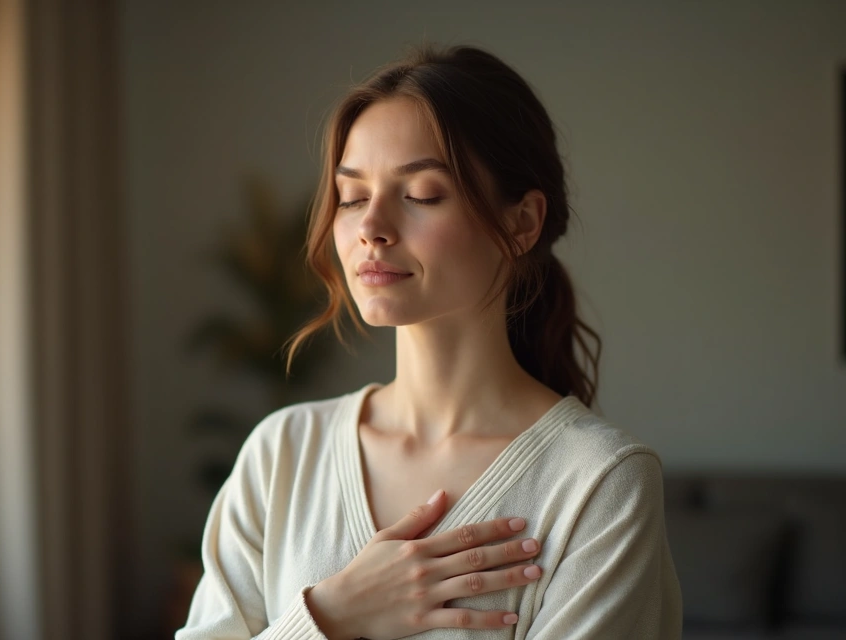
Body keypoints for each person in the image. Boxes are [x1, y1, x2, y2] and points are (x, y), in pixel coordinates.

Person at [176, 45, 682, 639]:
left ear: (522, 222)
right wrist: (330, 613)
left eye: (420, 194)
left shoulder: (597, 482)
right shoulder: (281, 454)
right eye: (352, 196)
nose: (370, 228)